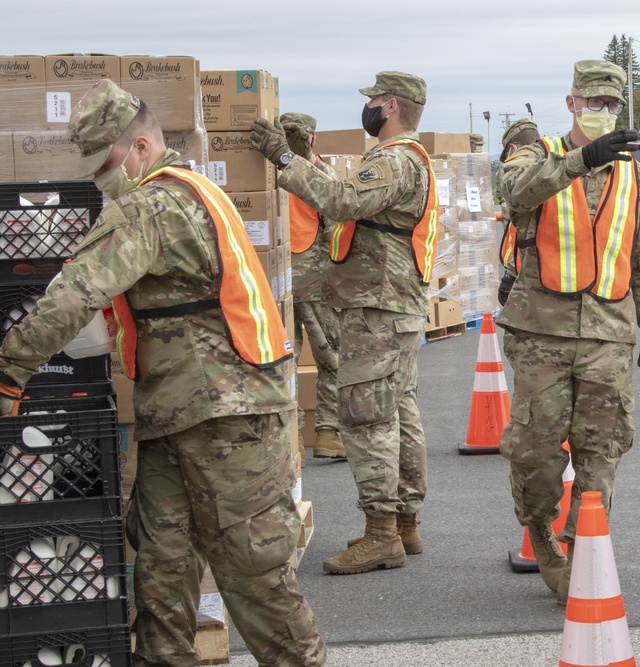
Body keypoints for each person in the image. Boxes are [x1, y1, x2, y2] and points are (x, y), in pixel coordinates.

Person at [0, 80, 325, 666]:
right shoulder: (193, 190)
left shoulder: (152, 206)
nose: (100, 182)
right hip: (180, 416)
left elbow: (74, 293)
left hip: (229, 422)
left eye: (105, 166)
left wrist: (7, 372)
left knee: (256, 580)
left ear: (141, 148)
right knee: (161, 568)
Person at [496, 59, 640, 604]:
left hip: (607, 336)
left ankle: (582, 551)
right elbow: (516, 193)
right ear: (571, 103)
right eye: (593, 102)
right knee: (535, 452)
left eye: (612, 104)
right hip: (540, 334)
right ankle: (543, 537)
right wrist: (579, 160)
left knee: (602, 450)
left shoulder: (633, 175)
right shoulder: (536, 155)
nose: (603, 112)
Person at [251, 71, 435, 575]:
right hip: (391, 305)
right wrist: (304, 160)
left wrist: (283, 159)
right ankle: (404, 523)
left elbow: (342, 201)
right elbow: (349, 199)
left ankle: (382, 535)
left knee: (367, 418)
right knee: (398, 412)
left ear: (391, 105)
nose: (368, 107)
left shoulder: (395, 160)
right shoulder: (404, 159)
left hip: (379, 309)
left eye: (374, 99)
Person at [280, 112, 346, 460]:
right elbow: (337, 228)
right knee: (331, 358)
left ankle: (292, 441)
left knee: (283, 360)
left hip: (277, 278)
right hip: (316, 278)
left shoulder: (271, 172)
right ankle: (327, 434)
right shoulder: (321, 173)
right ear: (313, 140)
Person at [497, 117, 540, 308]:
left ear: (513, 148)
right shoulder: (555, 168)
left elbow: (520, 233)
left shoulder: (520, 176)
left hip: (527, 273)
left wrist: (511, 274)